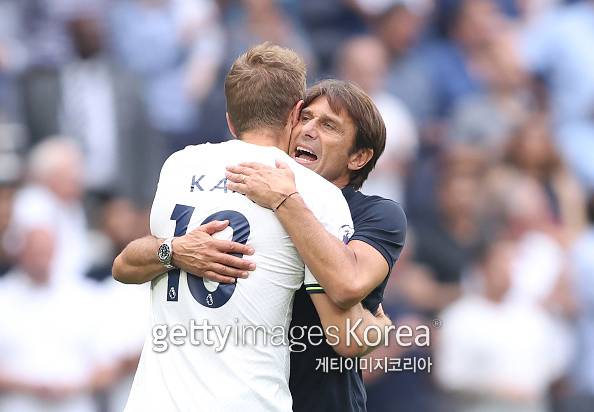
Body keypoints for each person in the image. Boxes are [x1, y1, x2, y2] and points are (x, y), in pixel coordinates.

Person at [114, 43, 391, 411]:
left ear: (231, 119)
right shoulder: (316, 197)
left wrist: (173, 250)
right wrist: (383, 326)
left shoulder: (179, 166)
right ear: (295, 114)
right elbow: (346, 333)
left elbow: (128, 264)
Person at [225, 79, 407, 412]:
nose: (308, 130)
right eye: (304, 117)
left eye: (328, 125)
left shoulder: (377, 214)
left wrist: (286, 200)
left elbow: (347, 291)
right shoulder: (243, 192)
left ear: (359, 157)